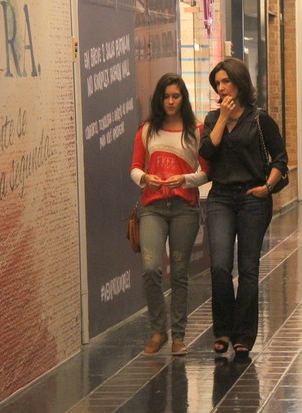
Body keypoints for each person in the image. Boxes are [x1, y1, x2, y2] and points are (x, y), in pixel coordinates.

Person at [200, 58, 289, 358]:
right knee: (221, 267)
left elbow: (280, 158)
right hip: (221, 198)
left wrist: (268, 187)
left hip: (253, 198)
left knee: (248, 268)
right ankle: (222, 330)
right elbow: (207, 151)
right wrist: (223, 119)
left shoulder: (260, 119)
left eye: (226, 81)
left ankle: (244, 336)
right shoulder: (213, 119)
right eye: (218, 83)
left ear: (239, 82)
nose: (221, 87)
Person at [130, 73, 209, 356]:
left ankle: (178, 335)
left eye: (176, 96)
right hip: (152, 207)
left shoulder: (196, 130)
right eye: (166, 96)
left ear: (183, 98)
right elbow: (135, 167)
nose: (171, 101)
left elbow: (206, 171)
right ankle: (157, 330)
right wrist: (145, 178)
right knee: (151, 268)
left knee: (179, 273)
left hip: (184, 208)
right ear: (159, 99)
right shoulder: (148, 130)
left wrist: (185, 180)